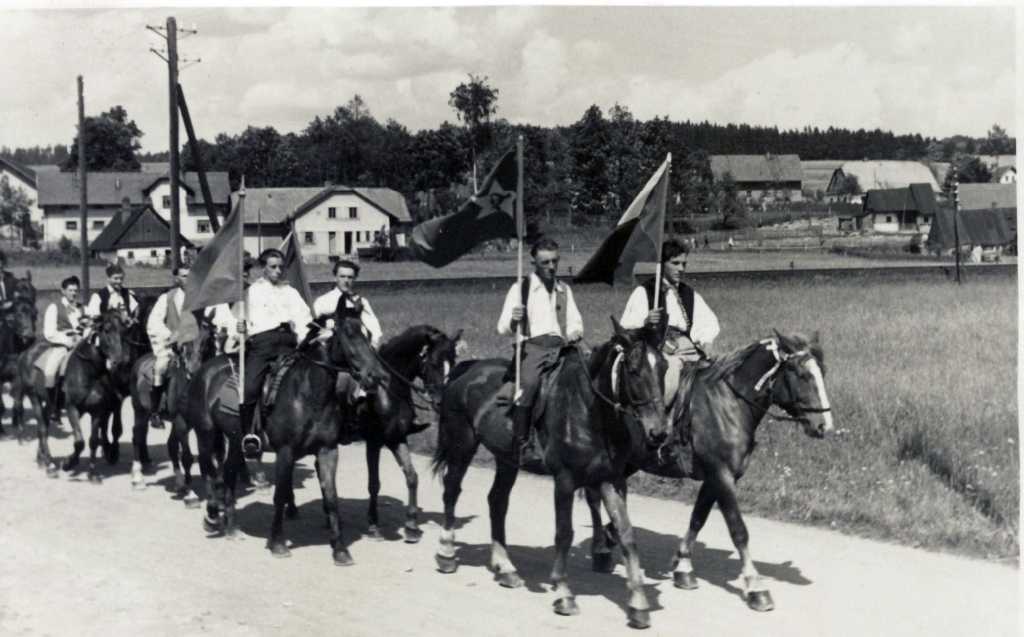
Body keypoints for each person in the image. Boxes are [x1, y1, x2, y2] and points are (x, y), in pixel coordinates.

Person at [496, 237, 584, 466]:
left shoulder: (563, 289)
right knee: (530, 384)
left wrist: (574, 331)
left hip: (561, 346)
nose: (551, 267)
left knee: (587, 374)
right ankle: (522, 442)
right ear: (533, 262)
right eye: (545, 262)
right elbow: (502, 327)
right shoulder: (521, 289)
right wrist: (515, 320)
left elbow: (575, 321)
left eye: (555, 261)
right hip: (532, 347)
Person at [620, 239, 720, 413]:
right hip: (660, 353)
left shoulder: (689, 293)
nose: (681, 269)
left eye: (684, 264)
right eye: (675, 263)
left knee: (715, 375)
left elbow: (707, 322)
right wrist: (645, 323)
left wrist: (707, 342)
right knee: (672, 369)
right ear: (661, 265)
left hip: (689, 350)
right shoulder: (645, 292)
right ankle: (662, 418)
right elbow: (627, 330)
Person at [237, 248, 313, 458]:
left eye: (281, 267)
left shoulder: (290, 292)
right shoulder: (251, 292)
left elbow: (303, 319)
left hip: (289, 343)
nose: (278, 271)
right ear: (263, 268)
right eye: (273, 267)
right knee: (250, 387)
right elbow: (239, 318)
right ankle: (249, 434)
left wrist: (307, 338)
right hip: (263, 344)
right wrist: (239, 327)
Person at [312, 259, 382, 410]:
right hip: (330, 355)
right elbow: (312, 329)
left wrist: (371, 348)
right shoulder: (324, 301)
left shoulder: (360, 302)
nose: (346, 281)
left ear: (355, 279)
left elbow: (374, 329)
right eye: (342, 276)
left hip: (356, 354)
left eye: (350, 277)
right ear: (335, 277)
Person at [145, 265, 191, 429]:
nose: (188, 279)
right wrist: (170, 336)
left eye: (190, 275)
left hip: (196, 345)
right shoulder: (167, 298)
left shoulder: (201, 296)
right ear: (177, 279)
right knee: (160, 367)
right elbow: (154, 322)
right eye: (184, 276)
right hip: (173, 347)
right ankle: (156, 410)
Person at [39, 275, 86, 414]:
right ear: (63, 291)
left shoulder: (82, 308)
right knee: (50, 371)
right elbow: (49, 332)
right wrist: (67, 341)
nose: (74, 293)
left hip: (81, 344)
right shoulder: (54, 307)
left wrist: (82, 337)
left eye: (76, 290)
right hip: (62, 345)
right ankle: (52, 405)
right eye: (70, 290)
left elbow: (89, 327)